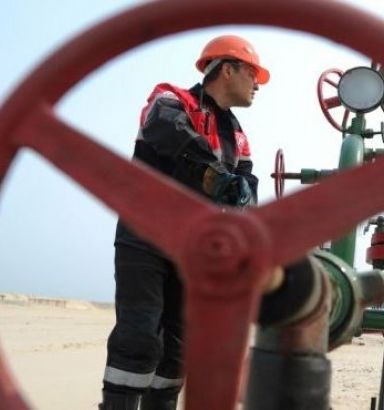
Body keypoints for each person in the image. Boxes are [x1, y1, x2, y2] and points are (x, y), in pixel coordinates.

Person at [100, 35, 270, 410]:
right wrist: (217, 177)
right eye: (252, 73)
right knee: (139, 334)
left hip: (191, 247)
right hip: (144, 235)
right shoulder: (170, 99)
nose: (257, 85)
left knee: (177, 346)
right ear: (227, 70)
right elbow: (167, 131)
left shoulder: (237, 137)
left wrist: (245, 198)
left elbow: (247, 184)